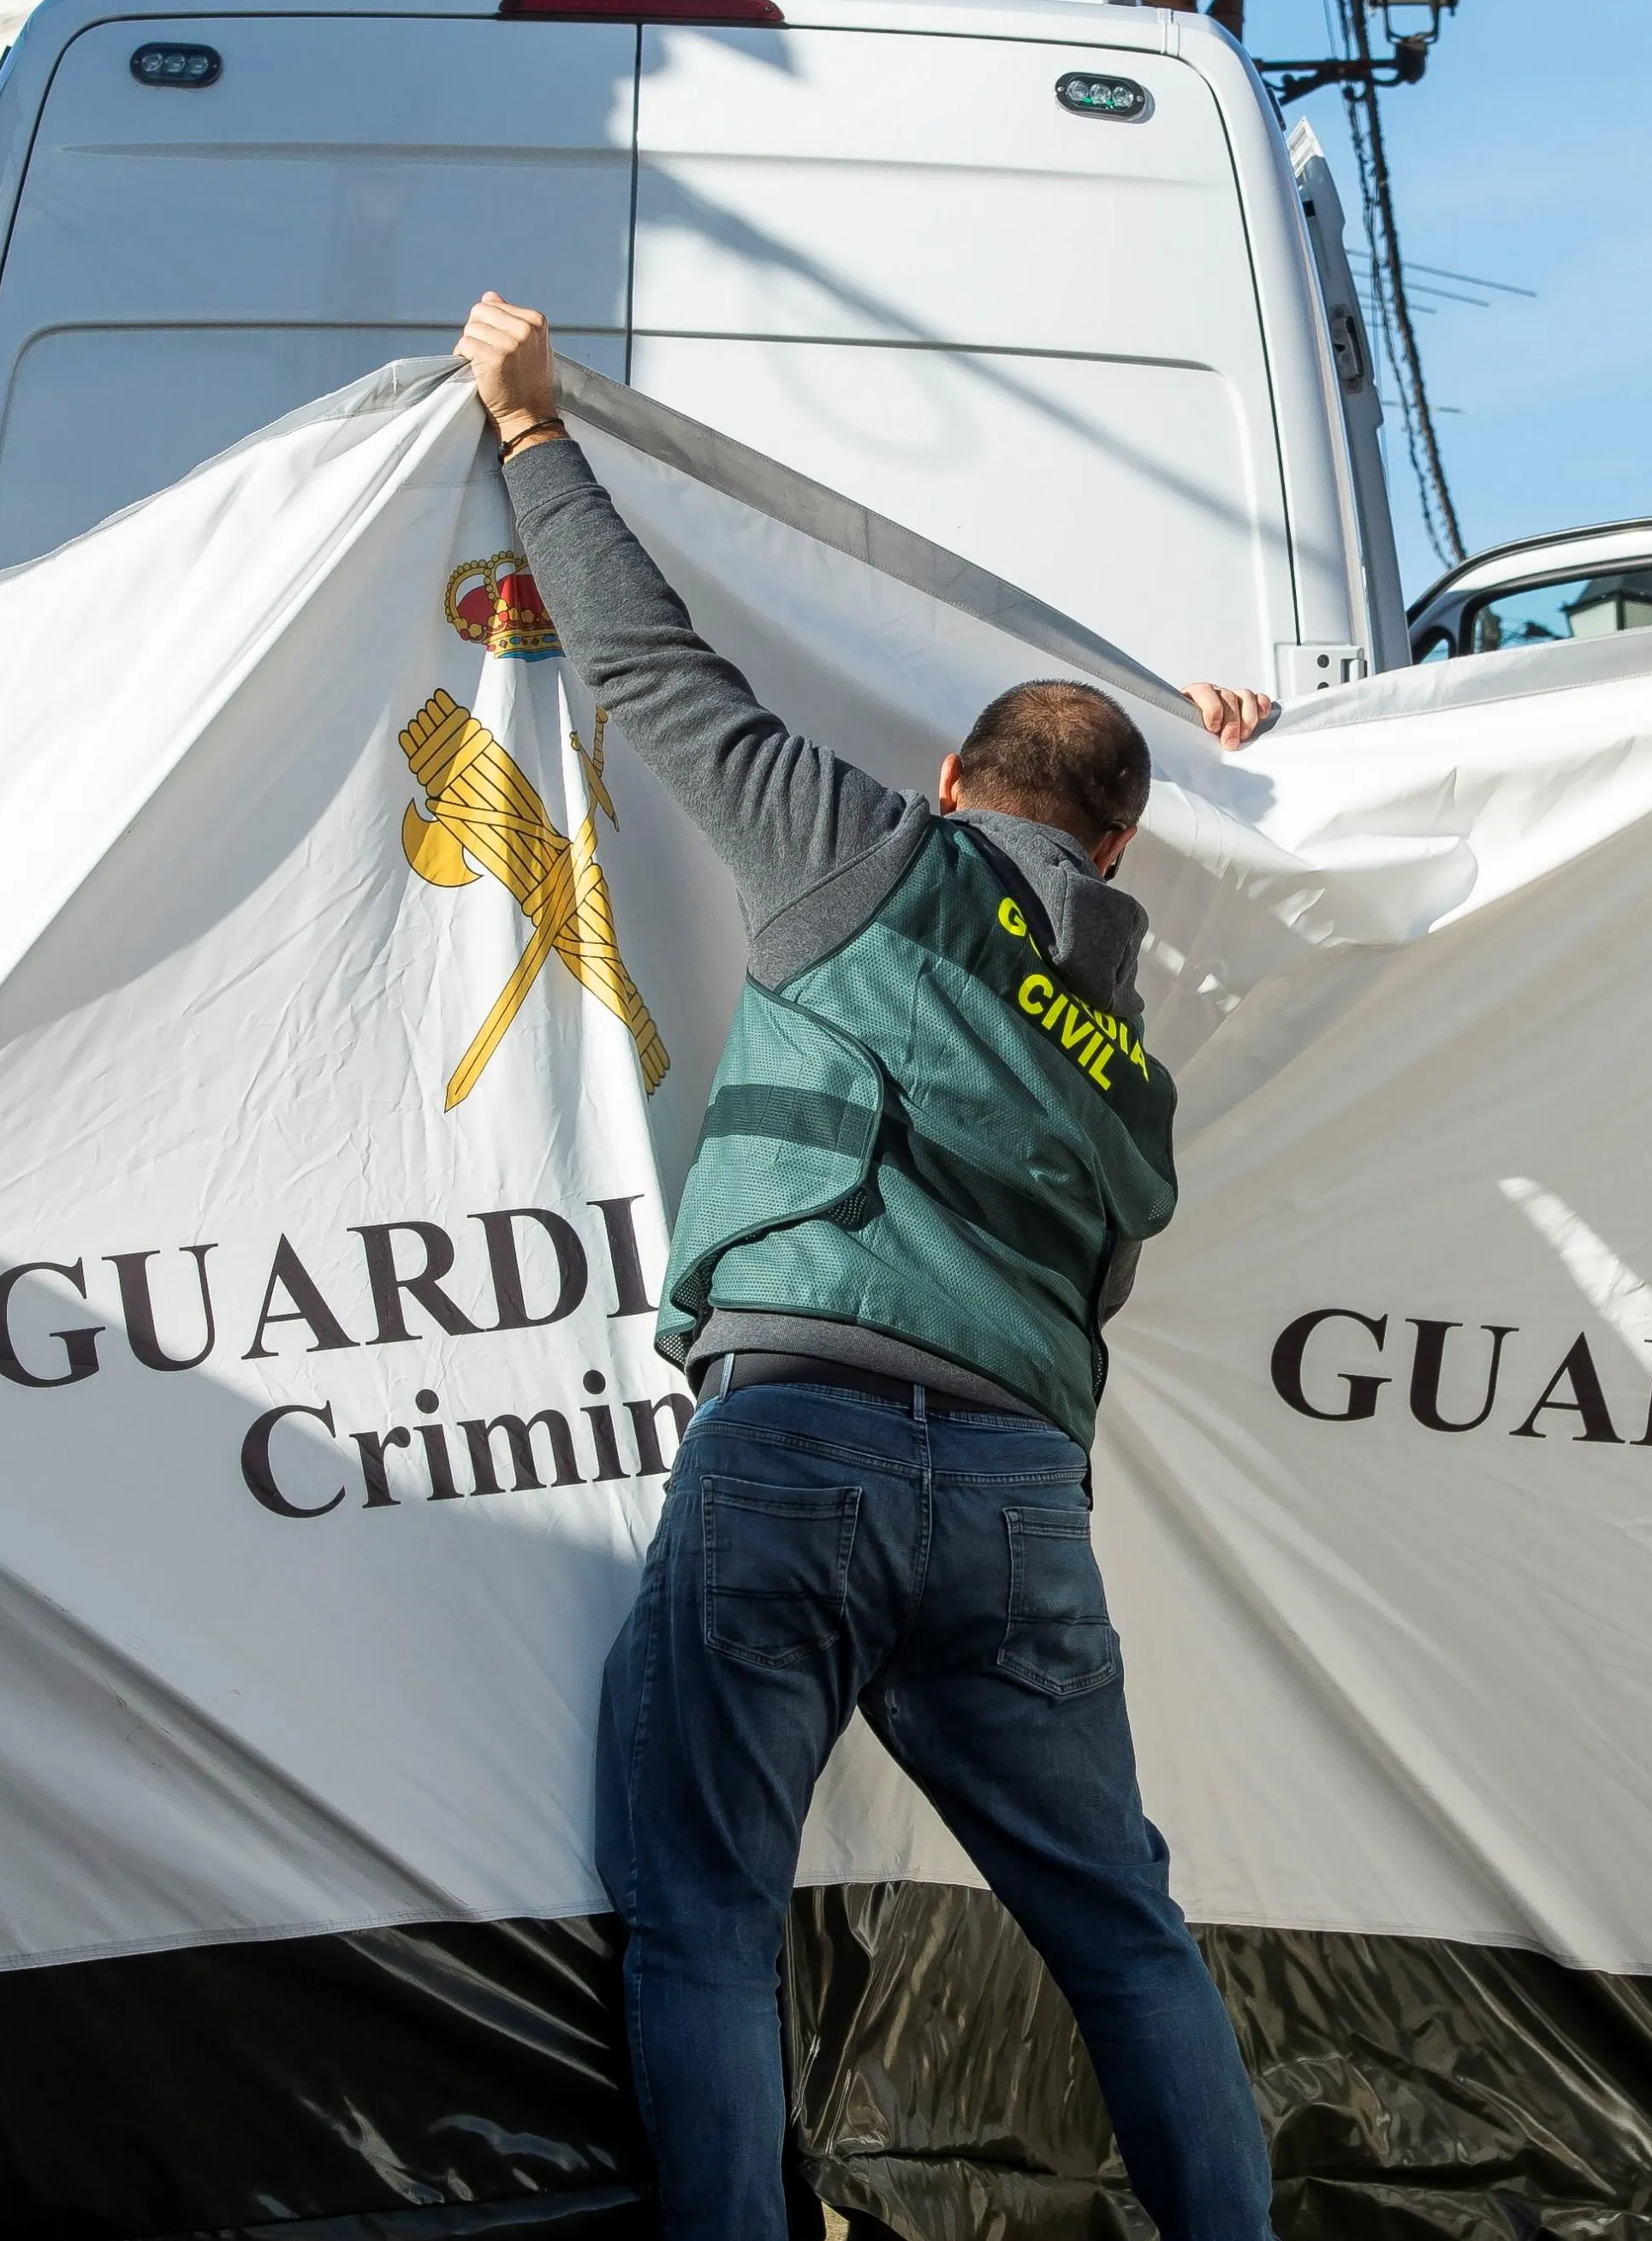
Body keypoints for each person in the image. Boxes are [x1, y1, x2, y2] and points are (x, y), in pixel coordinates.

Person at [453, 294, 1283, 2241]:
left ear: (948, 781)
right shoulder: (1127, 1061)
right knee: (1124, 1935)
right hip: (1012, 1509)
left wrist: (527, 432)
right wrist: (1239, 746)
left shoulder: (864, 864)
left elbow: (653, 670)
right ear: (1116, 840)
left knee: (704, 1917)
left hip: (795, 1448)